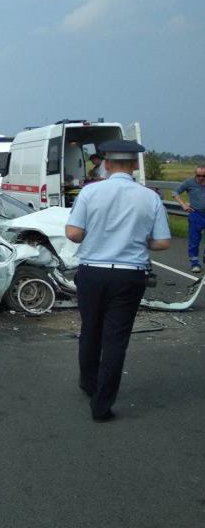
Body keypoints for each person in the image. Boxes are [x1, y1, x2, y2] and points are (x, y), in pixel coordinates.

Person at [65, 140, 171, 423]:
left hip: (93, 272)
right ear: (135, 165)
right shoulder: (150, 197)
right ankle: (102, 405)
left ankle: (89, 384)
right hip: (129, 274)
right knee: (116, 338)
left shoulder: (90, 192)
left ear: (106, 164)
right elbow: (162, 241)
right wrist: (140, 239)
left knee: (91, 330)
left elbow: (74, 233)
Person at [171, 165, 205, 273]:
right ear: (195, 175)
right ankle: (195, 263)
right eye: (198, 175)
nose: (201, 178)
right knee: (194, 240)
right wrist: (183, 205)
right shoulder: (189, 183)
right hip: (196, 214)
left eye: (204, 176)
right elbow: (175, 193)